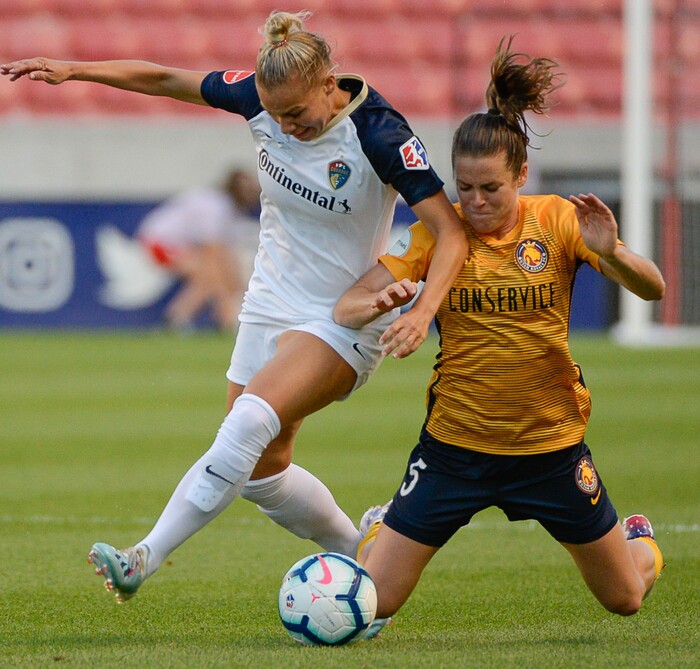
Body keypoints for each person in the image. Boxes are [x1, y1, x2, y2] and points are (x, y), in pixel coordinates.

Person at [1, 10, 468, 603]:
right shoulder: (259, 97)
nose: (285, 128)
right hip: (269, 300)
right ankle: (362, 560)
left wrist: (424, 310)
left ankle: (144, 556)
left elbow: (448, 231)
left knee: (246, 422)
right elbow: (166, 79)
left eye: (295, 116)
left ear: (330, 84)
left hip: (344, 313)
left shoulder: (381, 133)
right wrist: (74, 70)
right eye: (274, 117)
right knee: (261, 471)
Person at [334, 37, 666, 624]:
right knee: (375, 605)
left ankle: (636, 536)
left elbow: (654, 287)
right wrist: (381, 300)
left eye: (492, 188)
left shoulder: (560, 219)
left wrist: (610, 252)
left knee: (625, 599)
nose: (477, 201)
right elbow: (346, 306)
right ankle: (384, 526)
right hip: (455, 452)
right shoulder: (441, 231)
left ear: (521, 175)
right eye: (465, 187)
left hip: (549, 448)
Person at [136, 168, 262, 331]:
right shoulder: (217, 206)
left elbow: (226, 254)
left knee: (208, 277)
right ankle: (179, 319)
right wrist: (231, 294)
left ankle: (177, 319)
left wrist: (236, 287)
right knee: (209, 275)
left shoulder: (228, 210)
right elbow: (215, 254)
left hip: (170, 243)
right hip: (159, 242)